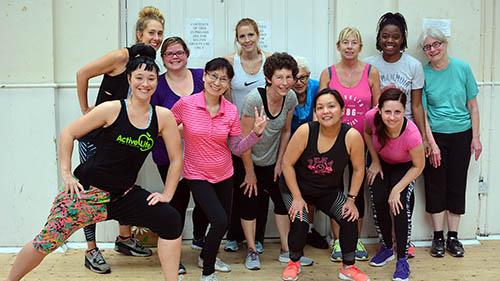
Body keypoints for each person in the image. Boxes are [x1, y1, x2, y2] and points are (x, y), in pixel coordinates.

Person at [5, 56, 183, 281]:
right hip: (88, 193)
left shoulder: (163, 117)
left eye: (151, 78)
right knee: (46, 242)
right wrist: (66, 174)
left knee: (170, 219)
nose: (145, 83)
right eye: (139, 77)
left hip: (123, 195)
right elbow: (68, 133)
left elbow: (176, 158)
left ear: (157, 82)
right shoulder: (112, 109)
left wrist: (168, 193)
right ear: (129, 79)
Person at [74, 6, 165, 274]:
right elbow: (82, 74)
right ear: (139, 33)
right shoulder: (120, 56)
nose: (156, 37)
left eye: (160, 33)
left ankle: (124, 239)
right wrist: (86, 111)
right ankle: (91, 250)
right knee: (90, 194)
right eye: (151, 32)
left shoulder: (147, 65)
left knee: (124, 185)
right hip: (98, 137)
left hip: (122, 139)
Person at [171, 57, 267, 281]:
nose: (217, 82)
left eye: (223, 79)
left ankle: (207, 256)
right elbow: (166, 125)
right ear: (204, 76)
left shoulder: (231, 111)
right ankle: (208, 272)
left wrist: (256, 133)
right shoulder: (186, 104)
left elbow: (236, 147)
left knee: (220, 223)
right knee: (220, 221)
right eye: (213, 76)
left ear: (228, 84)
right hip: (196, 174)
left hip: (224, 174)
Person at [280, 88, 370, 281]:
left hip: (326, 191)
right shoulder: (306, 131)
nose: (325, 111)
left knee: (349, 217)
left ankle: (348, 267)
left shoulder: (352, 136)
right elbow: (286, 164)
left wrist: (351, 199)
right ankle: (293, 262)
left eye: (331, 106)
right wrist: (296, 197)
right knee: (301, 219)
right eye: (320, 107)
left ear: (342, 110)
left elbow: (358, 169)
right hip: (297, 187)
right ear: (315, 112)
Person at [238, 52, 313, 270]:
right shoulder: (254, 99)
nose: (285, 82)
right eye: (279, 77)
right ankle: (251, 250)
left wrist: (281, 162)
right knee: (249, 204)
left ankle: (286, 250)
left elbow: (286, 131)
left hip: (273, 160)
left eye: (289, 77)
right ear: (269, 78)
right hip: (248, 160)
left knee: (282, 203)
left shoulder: (290, 98)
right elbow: (244, 141)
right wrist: (249, 172)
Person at [365, 12, 426, 258]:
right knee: (379, 199)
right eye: (385, 36)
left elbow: (418, 106)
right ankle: (386, 244)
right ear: (379, 38)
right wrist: (375, 159)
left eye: (396, 36)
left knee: (402, 199)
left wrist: (424, 139)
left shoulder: (413, 65)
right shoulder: (370, 64)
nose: (390, 40)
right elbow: (370, 115)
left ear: (403, 39)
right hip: (380, 140)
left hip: (405, 141)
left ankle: (404, 243)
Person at [319, 26, 381, 261]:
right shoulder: (328, 73)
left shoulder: (370, 72)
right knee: (334, 190)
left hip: (362, 141)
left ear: (360, 47)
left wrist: (376, 149)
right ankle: (337, 241)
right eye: (345, 42)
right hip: (333, 140)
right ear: (338, 46)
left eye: (354, 42)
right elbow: (320, 109)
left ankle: (353, 240)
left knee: (357, 190)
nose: (349, 46)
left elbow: (377, 111)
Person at [419, 28, 482, 258]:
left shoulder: (463, 68)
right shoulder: (423, 73)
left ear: (445, 44)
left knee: (457, 184)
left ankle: (453, 237)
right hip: (435, 135)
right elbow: (422, 112)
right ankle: (437, 237)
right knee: (435, 185)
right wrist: (430, 142)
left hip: (461, 134)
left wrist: (476, 137)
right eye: (427, 47)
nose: (433, 49)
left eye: (436, 44)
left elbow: (473, 106)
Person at [150, 36, 208, 275]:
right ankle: (175, 254)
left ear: (187, 54)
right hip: (169, 155)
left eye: (179, 52)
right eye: (169, 54)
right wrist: (179, 130)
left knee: (205, 201)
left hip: (202, 152)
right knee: (176, 203)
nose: (174, 57)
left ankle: (200, 241)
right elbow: (152, 123)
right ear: (163, 59)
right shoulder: (157, 85)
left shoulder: (201, 76)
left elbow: (214, 105)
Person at [364, 88, 425, 281]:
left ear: (404, 110)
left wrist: (397, 189)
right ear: (379, 110)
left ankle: (402, 260)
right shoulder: (371, 117)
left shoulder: (412, 134)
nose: (392, 117)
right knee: (379, 201)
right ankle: (387, 248)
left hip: (405, 166)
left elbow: (418, 165)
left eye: (397, 112)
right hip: (380, 162)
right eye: (387, 111)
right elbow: (366, 134)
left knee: (399, 206)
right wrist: (374, 160)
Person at [223, 18, 271, 254]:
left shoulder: (269, 60)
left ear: (257, 35)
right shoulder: (231, 62)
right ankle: (234, 235)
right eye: (242, 36)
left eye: (250, 35)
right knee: (239, 185)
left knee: (260, 187)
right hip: (238, 132)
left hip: (265, 132)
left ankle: (258, 237)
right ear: (237, 39)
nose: (247, 40)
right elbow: (228, 96)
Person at [290, 56, 327, 250]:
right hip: (292, 148)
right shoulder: (286, 91)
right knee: (294, 191)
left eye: (303, 77)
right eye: (294, 78)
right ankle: (297, 231)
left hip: (315, 146)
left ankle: (310, 229)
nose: (298, 82)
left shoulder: (316, 87)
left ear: (309, 76)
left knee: (312, 191)